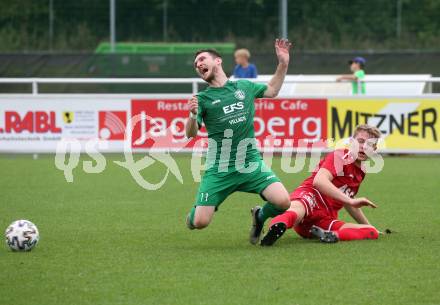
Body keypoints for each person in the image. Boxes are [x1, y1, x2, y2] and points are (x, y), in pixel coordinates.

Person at [185, 39, 292, 245]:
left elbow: (272, 90)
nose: (198, 64)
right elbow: (190, 134)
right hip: (220, 168)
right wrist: (192, 115)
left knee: (283, 202)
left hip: (250, 163)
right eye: (196, 64)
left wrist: (283, 64)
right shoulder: (203, 99)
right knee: (199, 222)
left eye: (202, 59)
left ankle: (260, 216)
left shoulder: (244, 86)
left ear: (217, 61)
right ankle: (195, 212)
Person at [260, 124, 381, 246]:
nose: (364, 147)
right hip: (311, 196)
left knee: (371, 232)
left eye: (370, 145)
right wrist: (350, 201)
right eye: (360, 141)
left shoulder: (361, 171)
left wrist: (369, 226)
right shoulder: (340, 156)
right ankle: (275, 228)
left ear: (374, 150)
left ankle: (331, 236)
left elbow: (348, 199)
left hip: (322, 220)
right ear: (351, 142)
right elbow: (319, 181)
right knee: (298, 209)